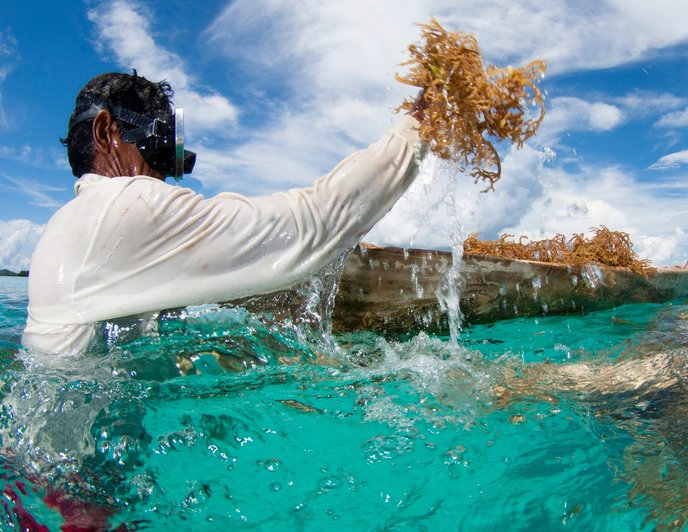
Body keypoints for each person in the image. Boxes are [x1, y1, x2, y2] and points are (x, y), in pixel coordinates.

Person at [23, 72, 426, 356]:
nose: (165, 172)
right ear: (106, 132)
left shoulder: (70, 225)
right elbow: (315, 223)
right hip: (65, 480)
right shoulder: (126, 207)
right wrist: (419, 127)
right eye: (159, 146)